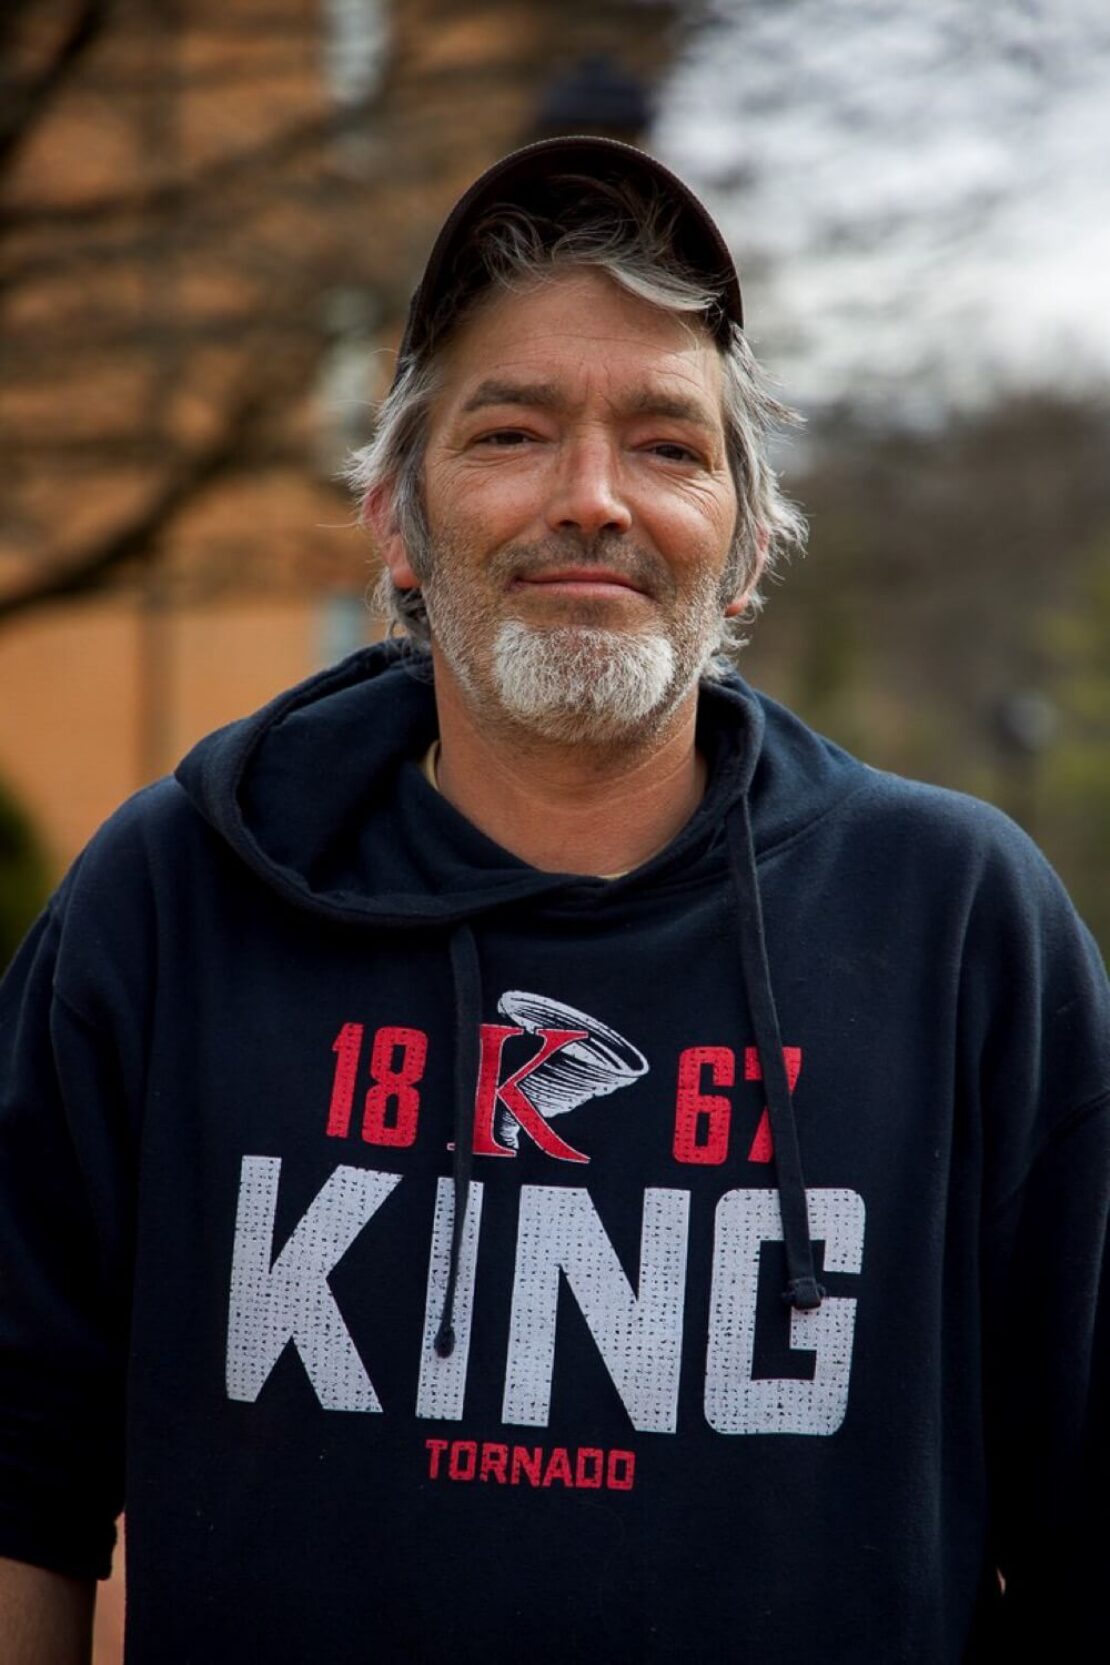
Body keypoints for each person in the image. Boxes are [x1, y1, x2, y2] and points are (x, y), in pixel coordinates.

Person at [0, 136, 1107, 1665]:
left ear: (744, 547)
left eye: (666, 445)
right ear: (396, 522)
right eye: (511, 432)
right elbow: (22, 1477)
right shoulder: (172, 899)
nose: (591, 499)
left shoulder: (958, 926)